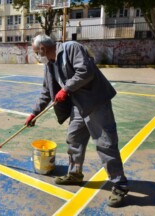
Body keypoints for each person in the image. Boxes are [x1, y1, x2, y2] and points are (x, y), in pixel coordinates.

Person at [25, 34, 129, 207]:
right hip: (79, 106)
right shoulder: (49, 65)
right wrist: (33, 113)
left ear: (43, 48)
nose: (37, 55)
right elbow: (46, 91)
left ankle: (120, 184)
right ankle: (74, 174)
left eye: (37, 52)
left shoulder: (71, 48)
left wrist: (66, 89)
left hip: (96, 102)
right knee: (74, 139)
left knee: (106, 144)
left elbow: (85, 71)